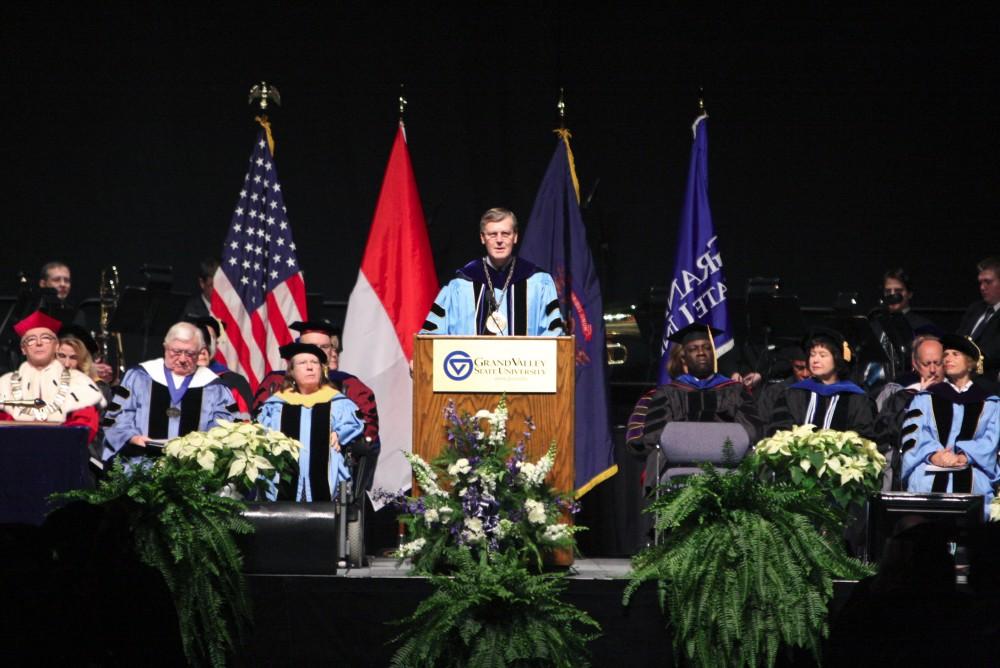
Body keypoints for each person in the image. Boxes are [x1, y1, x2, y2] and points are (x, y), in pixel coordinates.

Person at [420, 207, 564, 336]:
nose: (499, 240)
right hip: (471, 364)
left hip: (524, 365)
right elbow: (432, 334)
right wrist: (423, 357)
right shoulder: (461, 284)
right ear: (483, 238)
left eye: (505, 234)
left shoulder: (538, 281)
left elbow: (555, 333)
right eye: (493, 234)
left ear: (515, 237)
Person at [101, 322, 234, 462]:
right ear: (165, 348)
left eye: (190, 353)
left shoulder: (215, 386)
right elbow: (116, 418)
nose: (182, 359)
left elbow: (225, 427)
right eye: (176, 352)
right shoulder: (138, 377)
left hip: (194, 468)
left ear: (200, 351)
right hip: (141, 465)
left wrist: (203, 444)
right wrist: (132, 437)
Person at [900, 335, 999, 517]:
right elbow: (914, 435)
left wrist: (964, 456)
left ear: (970, 363)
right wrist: (934, 455)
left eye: (955, 354)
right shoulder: (924, 398)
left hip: (972, 471)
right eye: (945, 355)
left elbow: (991, 440)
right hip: (929, 471)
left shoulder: (990, 403)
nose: (948, 359)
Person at [626, 323, 761, 456]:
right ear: (684, 358)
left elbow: (751, 433)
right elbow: (656, 438)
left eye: (707, 348)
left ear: (714, 354)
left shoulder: (735, 391)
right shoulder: (667, 395)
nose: (701, 353)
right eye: (693, 349)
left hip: (729, 464)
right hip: (679, 465)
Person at [256, 342, 364, 501]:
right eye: (302, 363)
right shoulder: (275, 405)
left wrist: (340, 433)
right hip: (281, 489)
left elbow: (354, 425)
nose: (310, 367)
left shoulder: (338, 403)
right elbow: (262, 433)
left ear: (322, 369)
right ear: (291, 372)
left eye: (314, 363)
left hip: (329, 489)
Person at [0, 310, 104, 443]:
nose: (39, 344)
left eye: (45, 339)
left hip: (61, 454)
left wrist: (45, 437)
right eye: (31, 340)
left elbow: (84, 427)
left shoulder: (80, 386)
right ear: (23, 349)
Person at [767, 328, 877, 439]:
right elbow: (780, 431)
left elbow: (863, 436)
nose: (815, 360)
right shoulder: (794, 393)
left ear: (837, 359)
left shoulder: (855, 397)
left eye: (822, 355)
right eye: (812, 354)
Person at [868, 268, 934, 382]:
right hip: (872, 387)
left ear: (909, 294)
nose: (893, 295)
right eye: (888, 292)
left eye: (898, 291)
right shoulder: (874, 325)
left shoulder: (923, 326)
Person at [957, 256, 1000, 386]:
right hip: (959, 373)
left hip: (987, 377)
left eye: (988, 282)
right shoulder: (975, 309)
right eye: (980, 283)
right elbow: (958, 338)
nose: (982, 287)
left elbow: (992, 354)